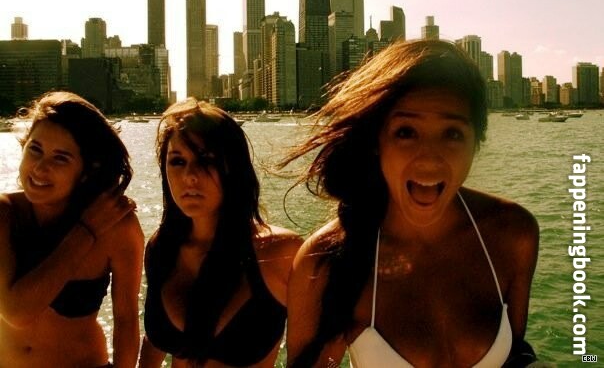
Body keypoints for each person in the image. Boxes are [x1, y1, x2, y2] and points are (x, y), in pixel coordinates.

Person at [283, 39, 540, 367]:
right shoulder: (325, 262)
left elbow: (515, 354)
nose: (429, 160)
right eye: (406, 132)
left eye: (452, 134)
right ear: (376, 141)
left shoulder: (513, 234)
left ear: (477, 141)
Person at [139, 98, 302, 368]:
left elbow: (321, 348)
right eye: (177, 161)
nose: (190, 176)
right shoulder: (161, 248)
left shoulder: (279, 253)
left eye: (207, 159)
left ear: (234, 167)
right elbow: (154, 343)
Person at [0, 91, 144, 367]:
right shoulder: (6, 213)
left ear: (86, 171)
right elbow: (17, 312)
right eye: (35, 150)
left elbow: (126, 321)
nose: (40, 168)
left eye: (61, 158)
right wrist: (86, 231)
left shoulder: (117, 226)